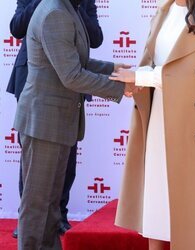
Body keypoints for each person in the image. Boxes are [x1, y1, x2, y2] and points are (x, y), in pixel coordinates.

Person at [110, 0, 195, 250]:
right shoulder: (163, 13)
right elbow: (156, 65)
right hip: (158, 118)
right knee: (156, 199)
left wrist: (140, 77)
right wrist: (135, 80)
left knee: (192, 213)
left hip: (193, 128)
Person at [12, 0, 134, 248]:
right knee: (38, 203)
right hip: (43, 123)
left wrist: (113, 69)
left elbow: (76, 59)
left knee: (51, 203)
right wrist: (121, 87)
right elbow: (72, 75)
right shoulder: (55, 12)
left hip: (55, 121)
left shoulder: (68, 8)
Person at [7, 0, 105, 238]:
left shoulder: (80, 4)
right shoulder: (49, 8)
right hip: (36, 81)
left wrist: (76, 7)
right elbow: (16, 27)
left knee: (65, 158)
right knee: (36, 164)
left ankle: (56, 217)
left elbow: (95, 38)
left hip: (69, 81)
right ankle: (30, 220)